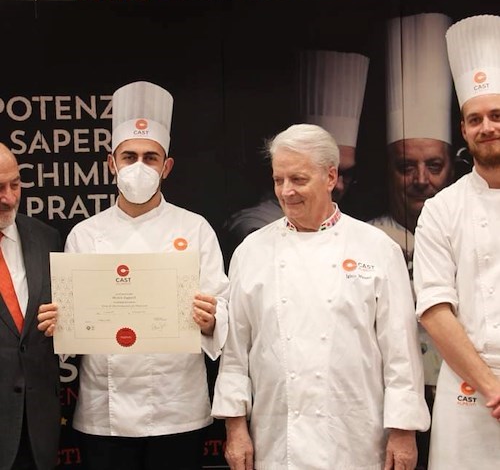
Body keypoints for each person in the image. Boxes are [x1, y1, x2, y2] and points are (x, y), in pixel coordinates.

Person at [212, 123, 430, 469]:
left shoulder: (377, 248)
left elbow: (401, 353)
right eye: (278, 179)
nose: (286, 191)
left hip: (357, 435)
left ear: (330, 177)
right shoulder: (250, 251)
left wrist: (404, 431)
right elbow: (236, 352)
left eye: (298, 180)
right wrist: (235, 427)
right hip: (276, 439)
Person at [38, 80, 229, 470]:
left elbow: (224, 305)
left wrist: (212, 318)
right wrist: (62, 323)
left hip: (178, 409)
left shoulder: (195, 229)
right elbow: (72, 331)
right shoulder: (85, 234)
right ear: (112, 163)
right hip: (104, 414)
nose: (138, 167)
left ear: (167, 166)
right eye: (129, 157)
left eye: (150, 157)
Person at [413, 14, 500, 469]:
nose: (487, 126)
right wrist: (492, 385)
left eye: (497, 115)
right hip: (468, 394)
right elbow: (433, 308)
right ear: (463, 131)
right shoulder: (442, 208)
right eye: (475, 119)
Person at [368, 15, 455, 466]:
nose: (422, 180)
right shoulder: (368, 240)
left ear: (451, 166)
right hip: (390, 405)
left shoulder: (465, 227)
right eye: (407, 167)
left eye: (434, 165)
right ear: (388, 170)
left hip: (464, 396)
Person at [224, 50, 369, 255]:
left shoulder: (373, 243)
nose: (340, 185)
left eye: (346, 173)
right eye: (284, 179)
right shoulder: (253, 233)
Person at [0, 143, 62, 470]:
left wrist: (64, 326)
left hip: (36, 426)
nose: (8, 197)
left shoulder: (46, 238)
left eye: (15, 184)